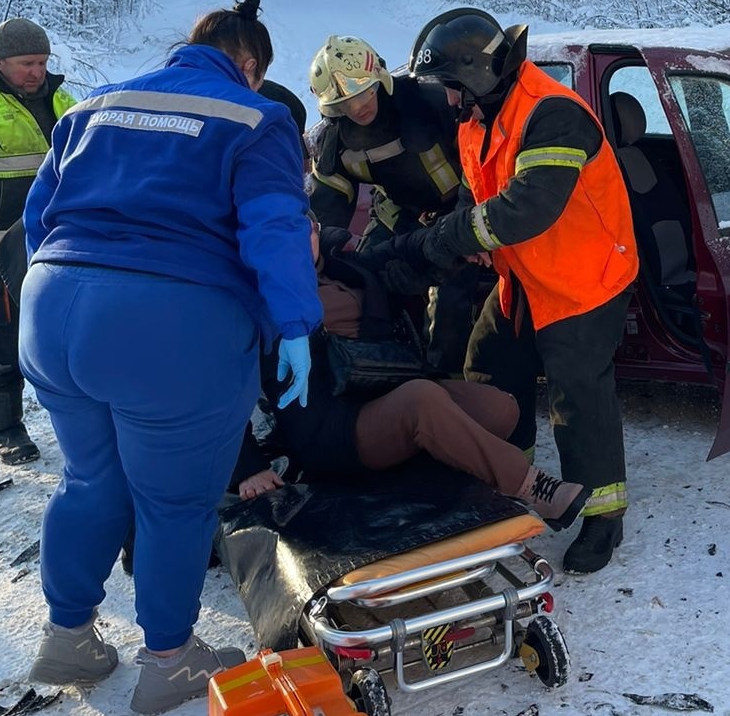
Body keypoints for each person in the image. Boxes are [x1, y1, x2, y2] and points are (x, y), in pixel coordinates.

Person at [18, 0, 322, 714]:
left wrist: (67, 291)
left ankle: (69, 639)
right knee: (174, 503)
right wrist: (295, 325)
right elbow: (274, 225)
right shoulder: (257, 117)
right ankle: (170, 660)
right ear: (247, 63)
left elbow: (39, 213)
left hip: (53, 305)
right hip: (170, 324)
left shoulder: (94, 104)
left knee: (90, 482)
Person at [396, 8, 638, 575]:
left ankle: (604, 517)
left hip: (583, 280)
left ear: (478, 75)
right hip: (526, 276)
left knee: (578, 397)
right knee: (488, 366)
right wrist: (458, 235)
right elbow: (477, 193)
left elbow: (529, 206)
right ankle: (514, 482)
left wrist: (449, 240)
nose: (449, 103)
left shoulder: (553, 115)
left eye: (453, 89)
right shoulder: (480, 116)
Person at [233, 222, 589, 527]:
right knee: (422, 399)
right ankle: (531, 487)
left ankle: (434, 472)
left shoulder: (345, 266)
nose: (301, 237)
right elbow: (217, 390)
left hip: (385, 389)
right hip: (332, 429)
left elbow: (406, 250)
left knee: (500, 408)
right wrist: (248, 467)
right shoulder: (259, 304)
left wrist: (457, 242)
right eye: (285, 231)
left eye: (305, 226)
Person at [306, 35, 477, 371]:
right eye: (345, 103)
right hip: (400, 216)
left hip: (458, 211)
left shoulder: (431, 102)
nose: (358, 107)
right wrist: (328, 253)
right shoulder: (335, 142)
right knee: (366, 282)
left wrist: (452, 241)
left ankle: (446, 385)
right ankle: (380, 370)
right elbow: (326, 211)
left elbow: (479, 166)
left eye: (363, 92)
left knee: (451, 305)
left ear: (379, 78)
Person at [0, 18, 75, 463]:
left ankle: (72, 417)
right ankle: (8, 430)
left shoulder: (63, 100)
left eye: (41, 62)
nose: (35, 72)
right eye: (25, 63)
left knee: (60, 330)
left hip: (52, 240)